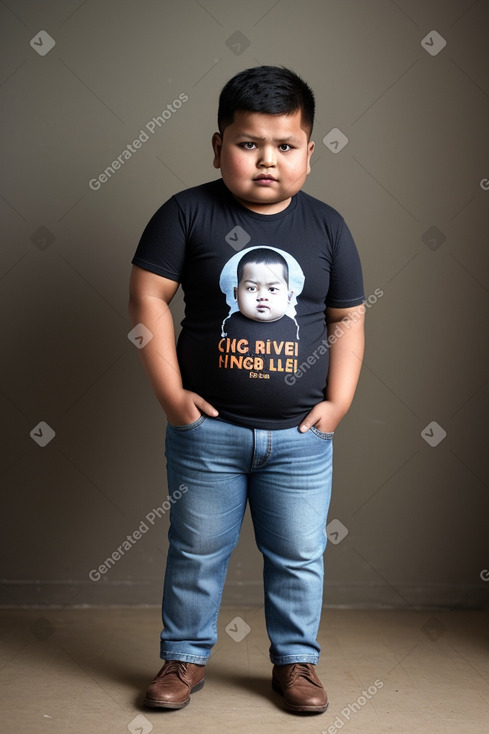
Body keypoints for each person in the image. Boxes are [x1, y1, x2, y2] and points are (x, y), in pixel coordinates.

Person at [129, 65, 365, 715]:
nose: (267, 160)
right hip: (209, 433)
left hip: (299, 439)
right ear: (217, 145)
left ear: (309, 155)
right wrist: (172, 398)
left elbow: (347, 317)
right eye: (248, 143)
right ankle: (184, 657)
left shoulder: (325, 228)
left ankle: (296, 663)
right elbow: (147, 297)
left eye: (285, 147)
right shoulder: (186, 213)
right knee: (196, 550)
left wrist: (337, 401)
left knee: (297, 554)